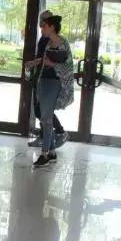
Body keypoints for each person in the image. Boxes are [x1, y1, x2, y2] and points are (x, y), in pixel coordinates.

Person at [27, 15, 74, 167]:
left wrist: (52, 64)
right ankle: (52, 153)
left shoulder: (63, 43)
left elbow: (68, 66)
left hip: (55, 84)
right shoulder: (48, 43)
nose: (42, 29)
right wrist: (34, 62)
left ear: (52, 27)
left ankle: (44, 154)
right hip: (43, 81)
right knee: (45, 117)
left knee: (46, 119)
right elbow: (44, 60)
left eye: (45, 26)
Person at [27, 10, 63, 147]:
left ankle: (59, 132)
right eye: (41, 19)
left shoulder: (52, 39)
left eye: (45, 20)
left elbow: (49, 59)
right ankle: (46, 138)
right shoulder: (44, 37)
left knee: (43, 110)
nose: (42, 23)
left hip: (49, 78)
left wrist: (34, 62)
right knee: (41, 110)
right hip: (40, 76)